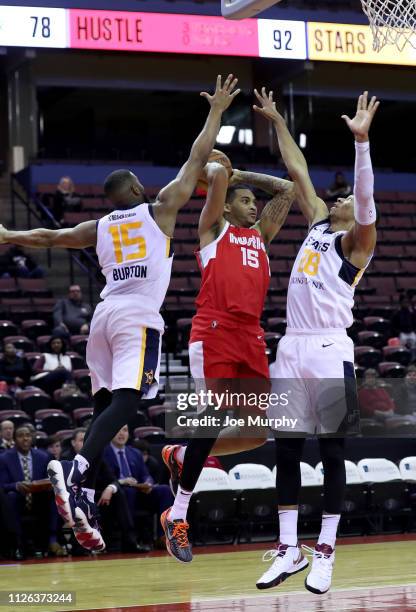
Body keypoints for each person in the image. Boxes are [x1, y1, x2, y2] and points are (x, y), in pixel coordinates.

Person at [0, 74, 240, 553]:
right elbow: (197, 159)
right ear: (134, 187)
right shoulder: (160, 209)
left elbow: (48, 239)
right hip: (136, 316)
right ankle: (77, 471)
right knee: (130, 404)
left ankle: (83, 495)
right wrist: (216, 111)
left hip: (102, 316)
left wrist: (7, 235)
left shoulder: (98, 225)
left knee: (106, 407)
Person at [253, 89, 379, 595]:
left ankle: (325, 551)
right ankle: (288, 549)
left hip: (329, 346)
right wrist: (280, 122)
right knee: (284, 450)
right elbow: (297, 168)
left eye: (348, 197)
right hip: (291, 346)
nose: (343, 197)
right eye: (343, 196)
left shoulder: (358, 242)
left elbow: (367, 202)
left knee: (331, 452)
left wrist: (363, 143)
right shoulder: (320, 222)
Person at [161, 134, 296, 561]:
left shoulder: (262, 235)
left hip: (251, 336)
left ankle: (182, 453)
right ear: (224, 207)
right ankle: (177, 515)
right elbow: (215, 175)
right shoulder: (213, 229)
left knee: (256, 433)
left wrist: (242, 175)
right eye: (243, 200)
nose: (253, 206)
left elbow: (288, 189)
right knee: (216, 415)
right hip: (215, 331)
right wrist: (224, 174)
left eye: (254, 202)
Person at [0, 425, 66, 558]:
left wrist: (47, 484)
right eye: (20, 436)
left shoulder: (44, 456)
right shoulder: (4, 458)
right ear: (14, 440)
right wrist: (17, 485)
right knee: (11, 497)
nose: (25, 439)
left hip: (38, 499)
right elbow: (2, 485)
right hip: (17, 500)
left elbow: (54, 479)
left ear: (32, 439)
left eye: (28, 435)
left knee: (54, 495)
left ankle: (52, 541)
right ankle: (17, 545)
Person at [103, 425, 173, 545]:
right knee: (128, 492)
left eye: (124, 430)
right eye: (117, 430)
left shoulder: (135, 453)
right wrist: (123, 481)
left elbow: (145, 475)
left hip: (139, 492)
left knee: (165, 490)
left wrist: (148, 483)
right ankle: (130, 539)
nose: (121, 434)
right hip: (117, 494)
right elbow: (104, 478)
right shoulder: (103, 452)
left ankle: (163, 537)